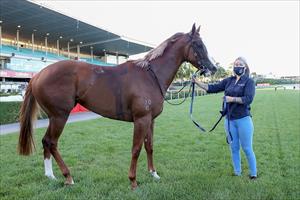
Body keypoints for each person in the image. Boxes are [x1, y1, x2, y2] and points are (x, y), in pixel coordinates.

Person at [192, 57, 257, 179]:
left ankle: (253, 174)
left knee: (247, 148)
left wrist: (231, 99)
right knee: (234, 148)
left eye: (240, 64)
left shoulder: (249, 82)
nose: (237, 66)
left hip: (243, 120)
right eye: (235, 64)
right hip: (229, 120)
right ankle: (237, 172)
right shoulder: (229, 80)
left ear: (245, 67)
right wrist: (197, 82)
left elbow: (248, 99)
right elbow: (212, 88)